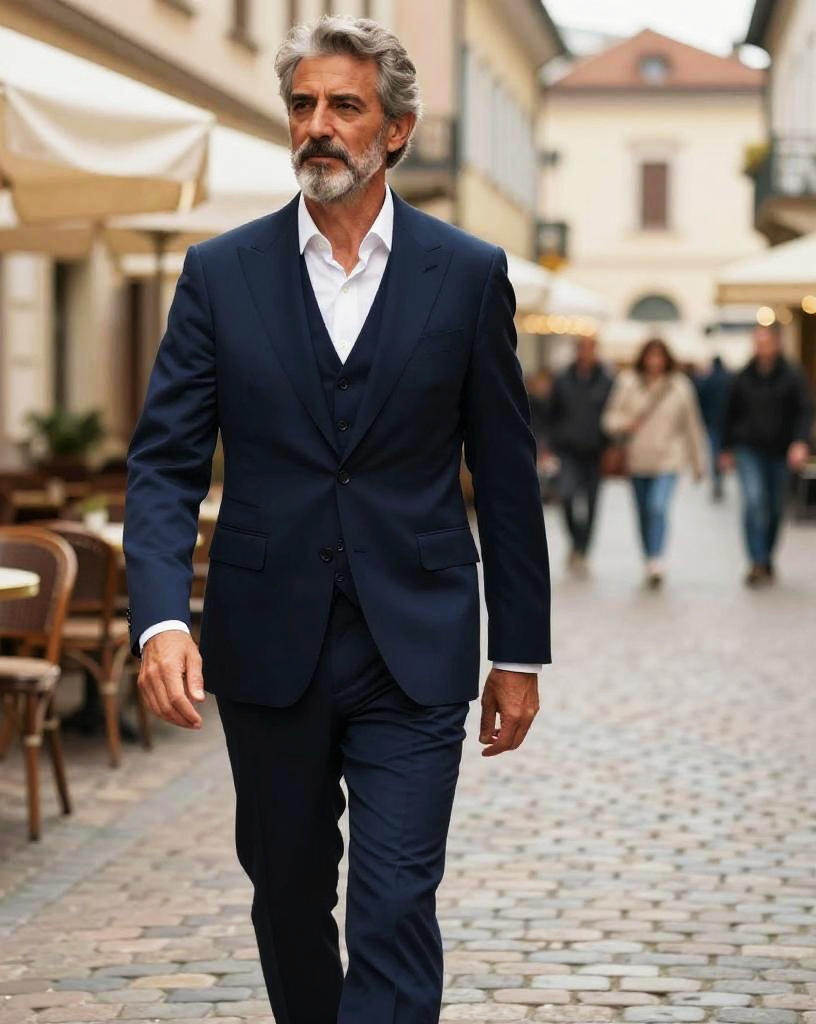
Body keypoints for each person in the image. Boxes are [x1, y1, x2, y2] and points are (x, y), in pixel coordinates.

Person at [123, 15, 550, 1024]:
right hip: (268, 640)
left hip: (416, 640)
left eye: (343, 106)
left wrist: (519, 651)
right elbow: (164, 463)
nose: (316, 124)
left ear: (394, 130)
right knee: (286, 892)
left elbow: (506, 473)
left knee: (395, 901)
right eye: (302, 104)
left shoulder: (467, 272)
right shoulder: (221, 273)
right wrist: (161, 619)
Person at [602, 338, 707, 588]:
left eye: (659, 356)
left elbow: (692, 425)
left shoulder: (680, 386)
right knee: (643, 512)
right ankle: (649, 555)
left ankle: (657, 558)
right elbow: (609, 419)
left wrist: (698, 463)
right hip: (637, 459)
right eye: (651, 356)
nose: (655, 361)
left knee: (657, 507)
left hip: (669, 459)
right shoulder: (628, 382)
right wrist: (625, 424)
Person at [719, 324, 813, 587]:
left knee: (774, 507)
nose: (761, 348)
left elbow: (804, 411)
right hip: (749, 448)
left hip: (781, 449)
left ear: (776, 344)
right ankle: (756, 560)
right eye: (757, 342)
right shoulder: (743, 376)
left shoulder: (792, 375)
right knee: (753, 500)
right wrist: (726, 448)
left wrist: (800, 442)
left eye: (766, 342)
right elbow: (729, 414)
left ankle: (767, 555)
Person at [545, 336, 613, 573]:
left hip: (596, 451)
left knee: (592, 503)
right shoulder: (563, 379)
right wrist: (549, 444)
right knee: (566, 497)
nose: (586, 353)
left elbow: (613, 413)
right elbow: (551, 414)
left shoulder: (607, 380)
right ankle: (575, 542)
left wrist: (611, 446)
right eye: (582, 349)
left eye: (590, 349)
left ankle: (583, 549)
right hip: (568, 449)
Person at [693, 354, 732, 501]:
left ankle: (717, 480)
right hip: (725, 422)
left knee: (714, 452)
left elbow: (700, 400)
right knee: (722, 451)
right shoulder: (729, 379)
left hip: (712, 422)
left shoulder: (708, 380)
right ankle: (720, 478)